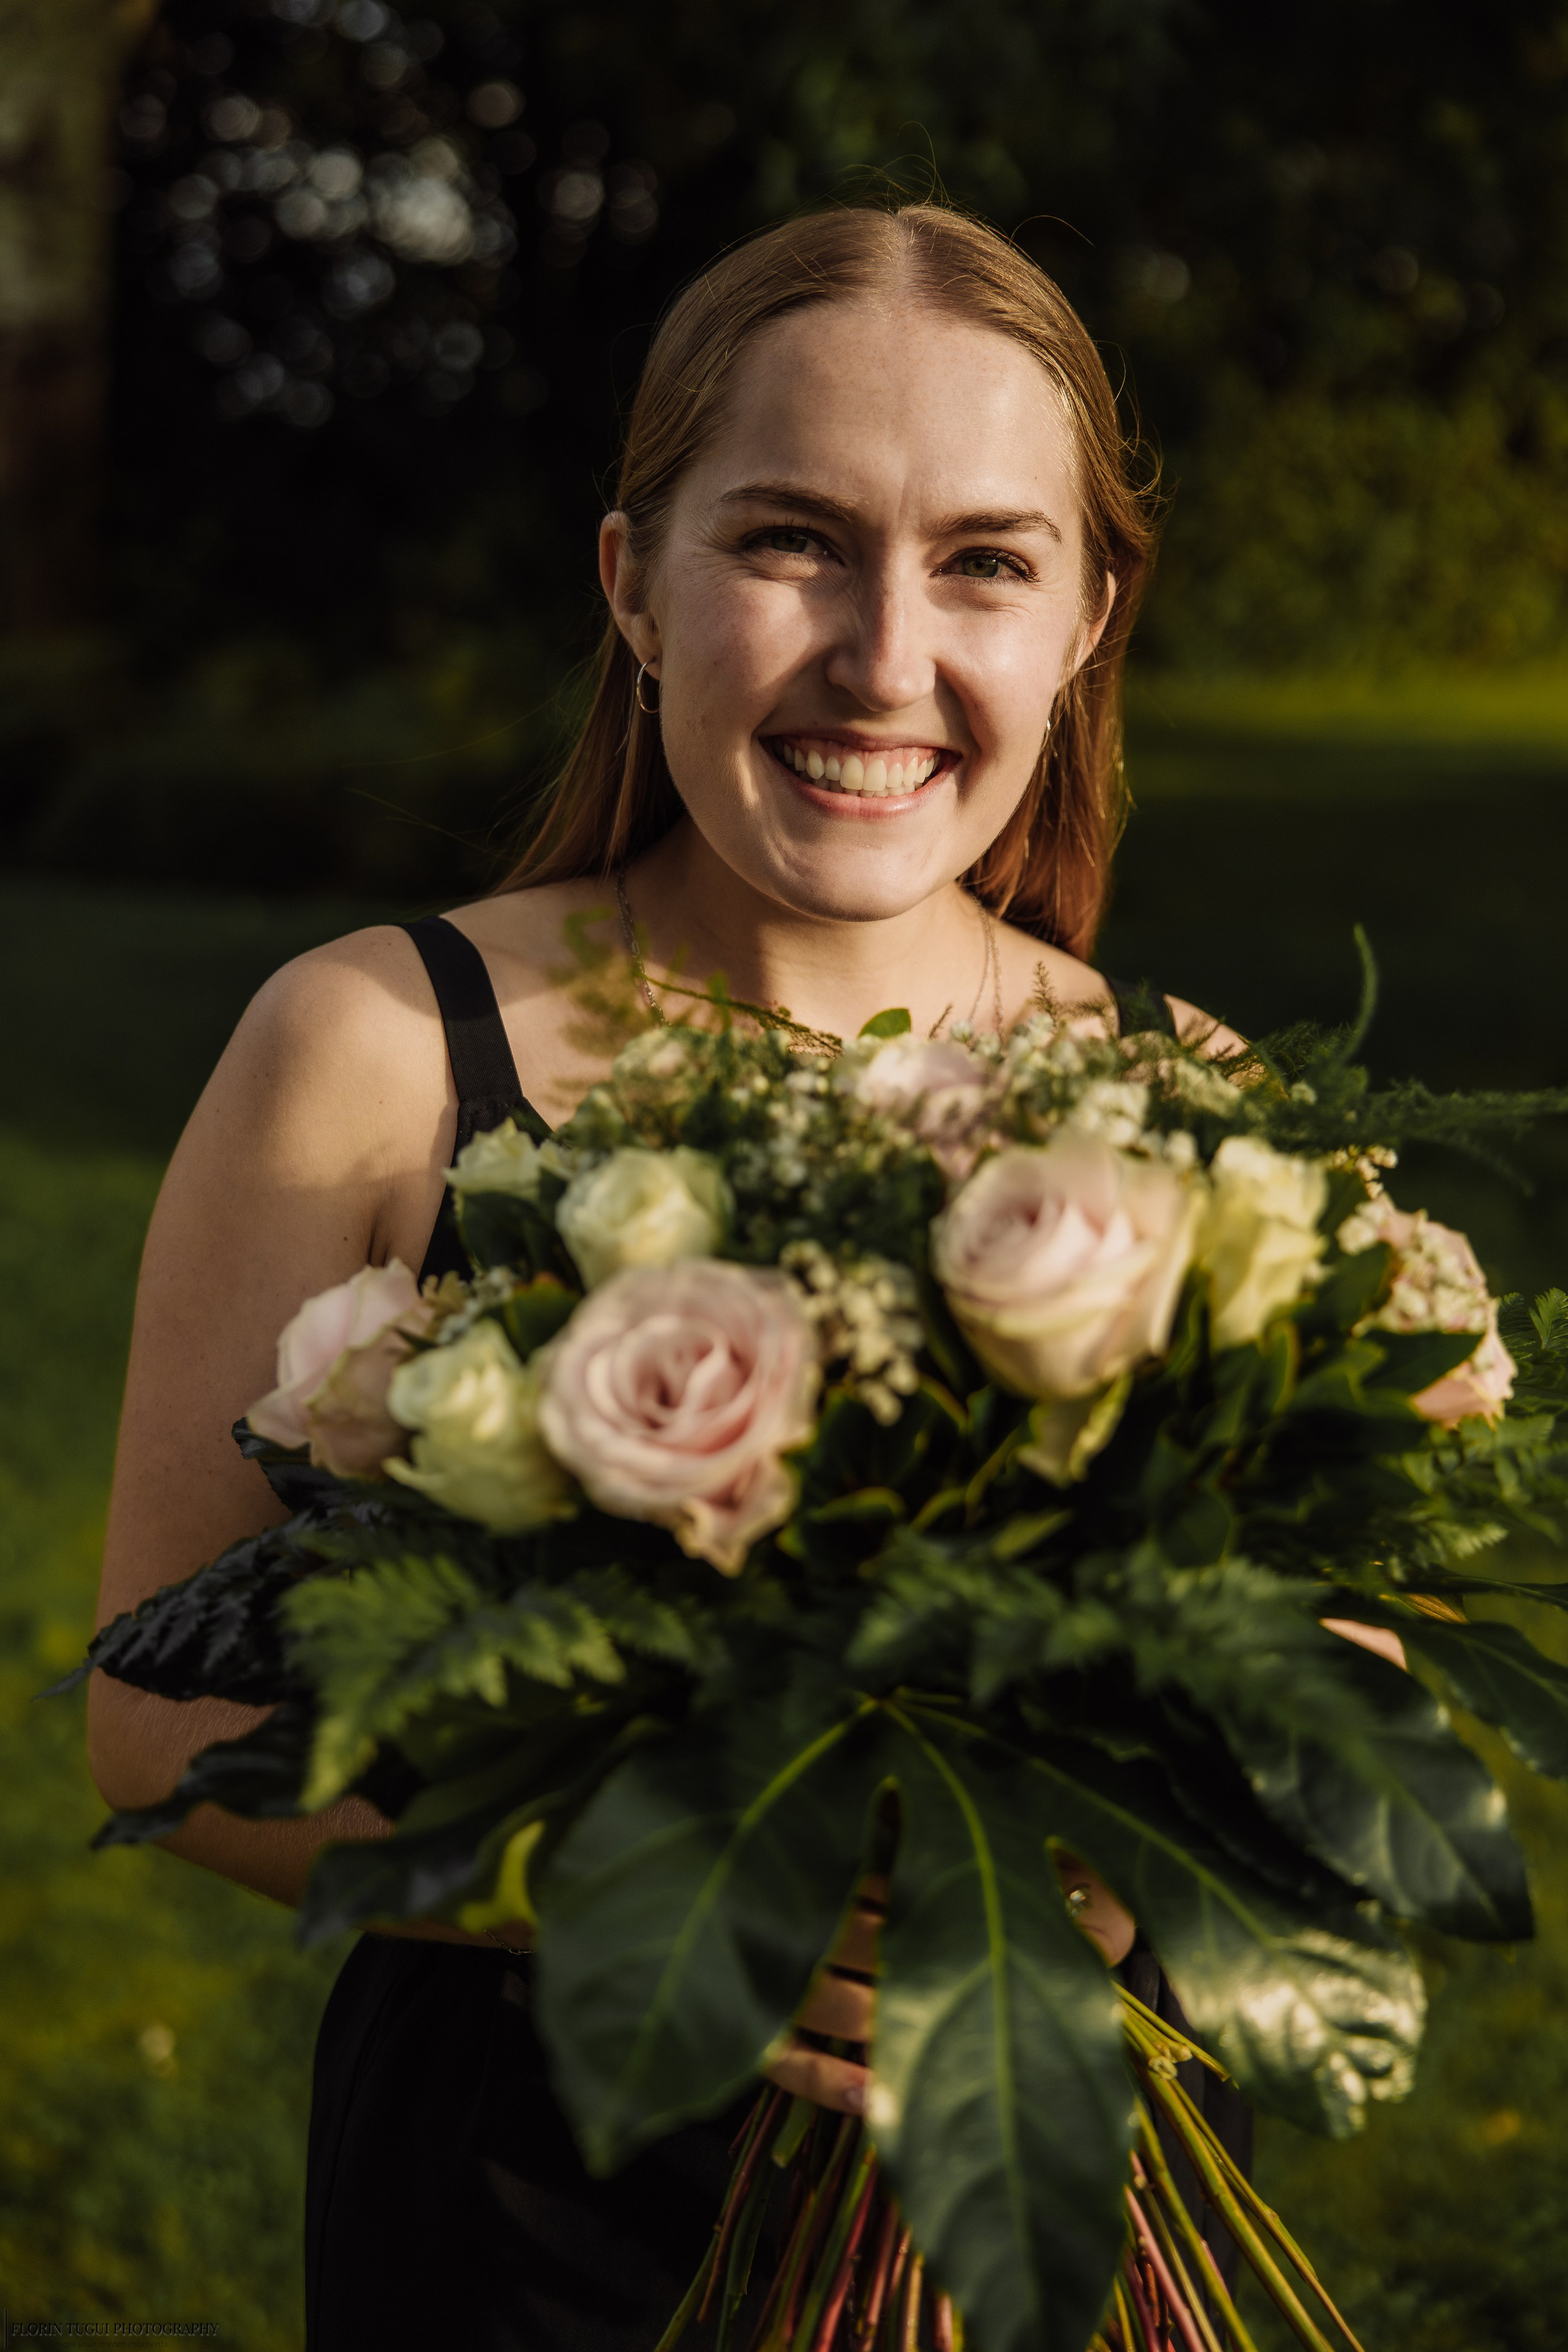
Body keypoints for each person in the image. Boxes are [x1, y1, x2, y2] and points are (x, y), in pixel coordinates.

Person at [90, 200, 1246, 2348]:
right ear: (633, 583)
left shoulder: (1191, 1106)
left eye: (988, 558)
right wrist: (629, 1896)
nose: (886, 660)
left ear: (1088, 617)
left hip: (1051, 2189)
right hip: (534, 2207)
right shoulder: (369, 1054)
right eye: (791, 540)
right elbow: (157, 1712)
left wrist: (1125, 1842)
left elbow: (1324, 1659)